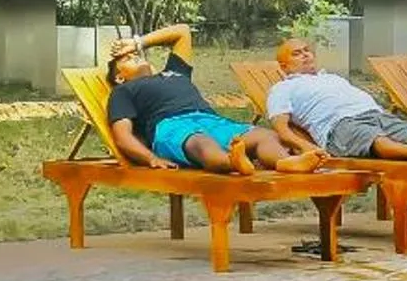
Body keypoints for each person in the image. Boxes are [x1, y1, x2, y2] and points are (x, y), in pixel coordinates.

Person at [106, 26, 323, 174]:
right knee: (201, 143)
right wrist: (150, 158)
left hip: (211, 120)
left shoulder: (174, 72)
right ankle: (232, 162)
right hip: (171, 127)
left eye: (134, 54)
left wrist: (136, 43)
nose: (133, 56)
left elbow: (182, 31)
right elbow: (122, 136)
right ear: (119, 76)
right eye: (125, 59)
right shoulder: (124, 91)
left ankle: (286, 163)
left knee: (264, 135)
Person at [265, 36, 407, 161]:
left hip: (375, 114)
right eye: (297, 53)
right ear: (284, 66)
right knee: (374, 140)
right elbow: (282, 129)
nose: (305, 55)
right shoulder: (282, 89)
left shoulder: (330, 78)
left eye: (307, 50)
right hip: (340, 126)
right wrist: (307, 148)